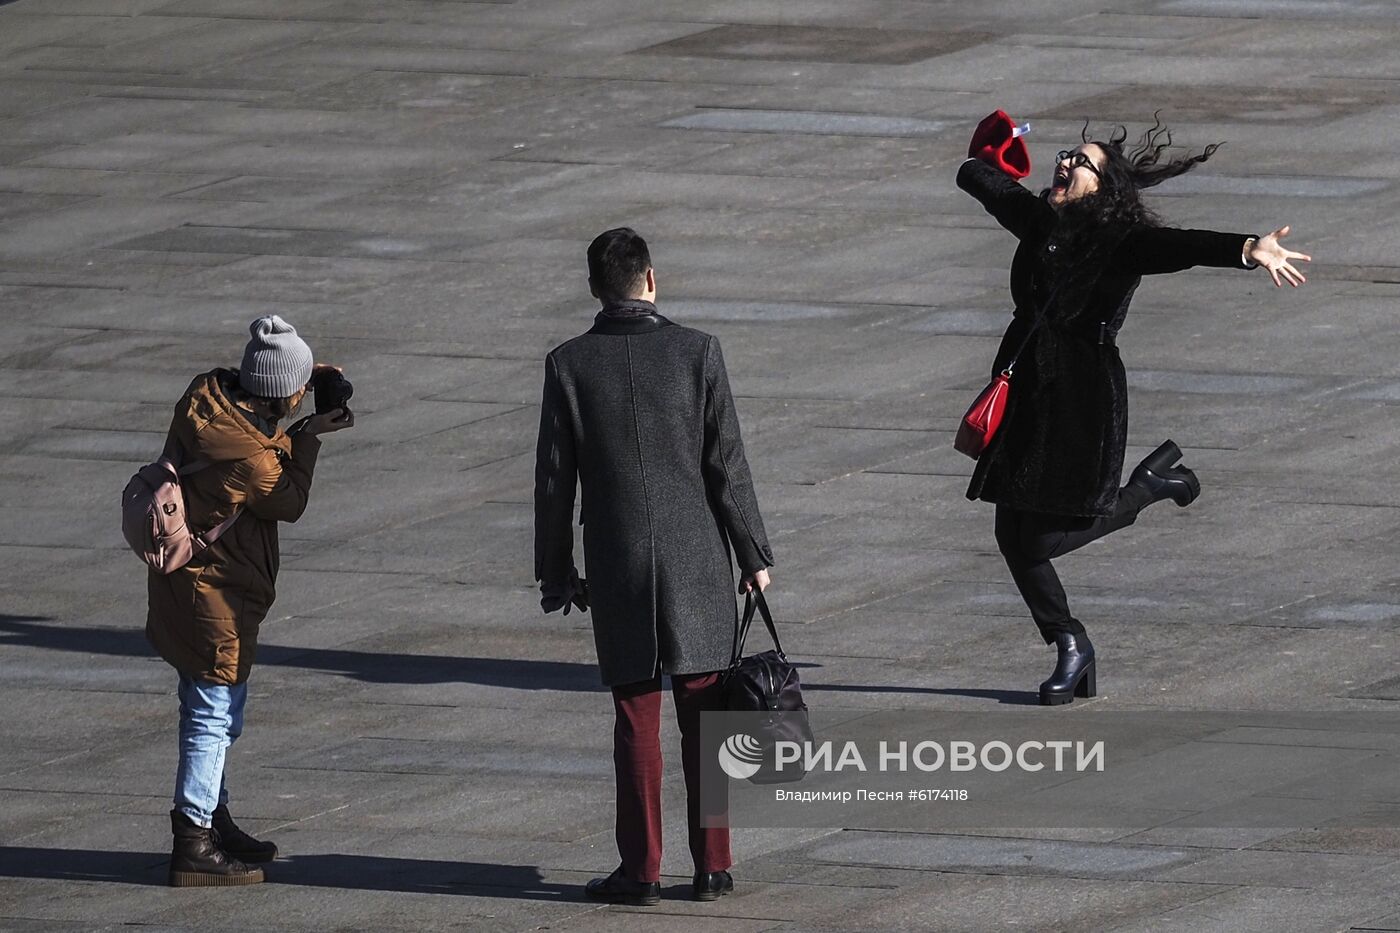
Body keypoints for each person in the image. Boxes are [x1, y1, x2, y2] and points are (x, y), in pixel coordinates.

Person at [957, 115, 1311, 705]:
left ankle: (1145, 490)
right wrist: (992, 151)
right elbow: (981, 180)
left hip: (1080, 399)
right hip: (1026, 392)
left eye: (1081, 161)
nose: (1065, 163)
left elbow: (1186, 245)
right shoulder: (1042, 220)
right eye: (1066, 154)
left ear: (1105, 187)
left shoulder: (1123, 241)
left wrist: (1249, 249)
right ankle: (1070, 645)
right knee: (1009, 531)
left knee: (1039, 540)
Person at [534, 227, 775, 905]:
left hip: (619, 561)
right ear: (651, 278)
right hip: (697, 553)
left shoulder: (569, 364)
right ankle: (714, 866)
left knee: (636, 716)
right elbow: (725, 464)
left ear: (594, 290)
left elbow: (555, 483)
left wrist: (556, 572)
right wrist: (753, 553)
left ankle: (639, 870)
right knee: (705, 714)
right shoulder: (699, 351)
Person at [146, 315, 353, 886]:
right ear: (279, 392)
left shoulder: (204, 399)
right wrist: (307, 437)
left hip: (190, 584)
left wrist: (298, 382)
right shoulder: (252, 458)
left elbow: (258, 409)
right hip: (217, 593)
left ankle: (211, 814)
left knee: (211, 705)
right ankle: (193, 838)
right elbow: (287, 501)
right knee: (213, 714)